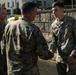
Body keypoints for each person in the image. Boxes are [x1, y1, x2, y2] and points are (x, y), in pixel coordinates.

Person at [1, 2, 53, 75]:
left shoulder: (8, 27)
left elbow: (3, 49)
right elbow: (43, 54)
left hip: (12, 71)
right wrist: (51, 53)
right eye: (35, 12)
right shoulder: (33, 29)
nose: (36, 14)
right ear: (31, 12)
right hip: (28, 71)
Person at [50, 1, 76, 75]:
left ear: (62, 9)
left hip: (71, 59)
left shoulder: (72, 21)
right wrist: (51, 50)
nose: (53, 12)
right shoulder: (53, 25)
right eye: (52, 10)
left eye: (56, 10)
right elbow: (54, 41)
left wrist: (73, 55)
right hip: (60, 59)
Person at [0, 6, 7, 75]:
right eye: (3, 13)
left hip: (4, 52)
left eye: (6, 14)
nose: (5, 15)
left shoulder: (4, 24)